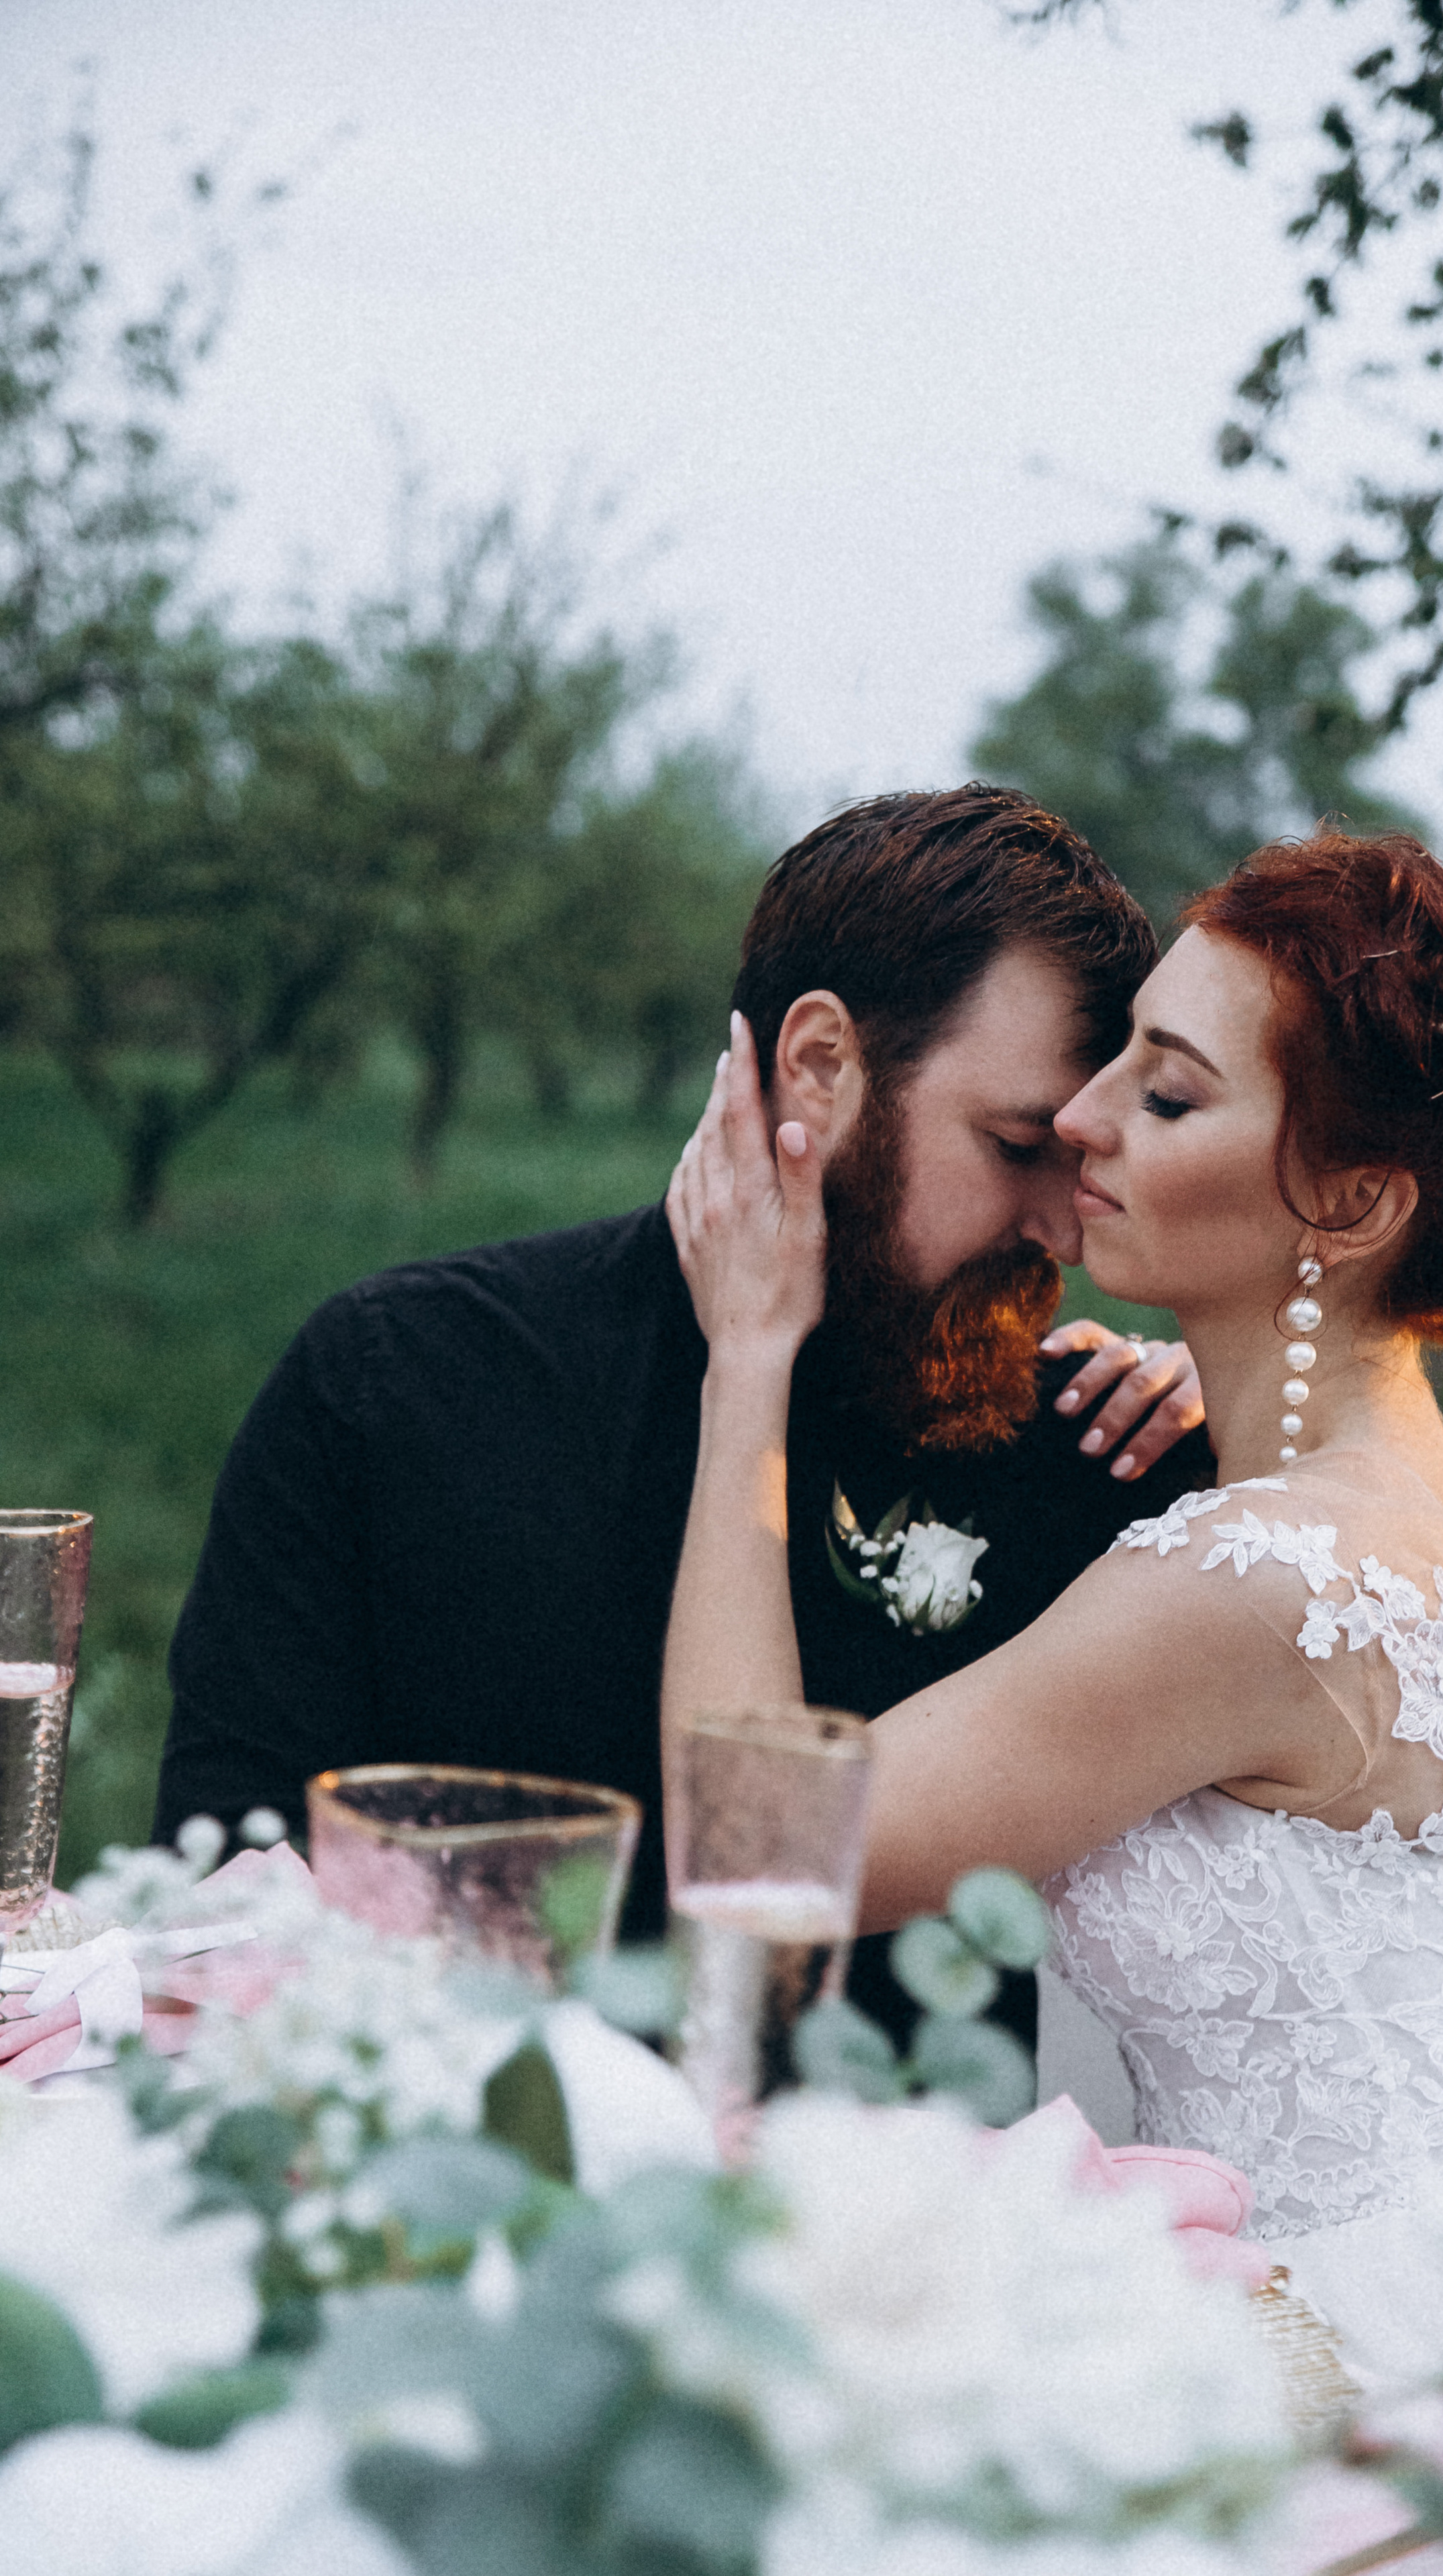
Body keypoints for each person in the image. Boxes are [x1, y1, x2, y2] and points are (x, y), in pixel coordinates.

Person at [663, 825, 1443, 2210]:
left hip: (1345, 2320)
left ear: (1347, 1204)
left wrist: (748, 1359)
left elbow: (753, 1851)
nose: (1080, 1118)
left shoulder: (1254, 1585)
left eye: (1163, 1097)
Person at [154, 786, 1212, 2041]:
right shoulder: (400, 1382)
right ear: (819, 1065)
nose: (1058, 1230)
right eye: (1017, 1145)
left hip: (926, 2207)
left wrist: (1252, 1418)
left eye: (1081, 1162)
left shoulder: (1093, 1438)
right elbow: (219, 1904)